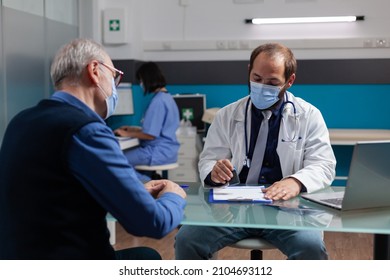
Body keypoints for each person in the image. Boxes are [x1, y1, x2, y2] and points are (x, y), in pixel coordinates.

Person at [0, 38, 186, 260]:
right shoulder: (87, 130)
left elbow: (53, 193)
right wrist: (174, 197)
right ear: (95, 71)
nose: (115, 86)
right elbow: (153, 222)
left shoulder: (21, 121)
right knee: (148, 258)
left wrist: (127, 192)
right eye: (115, 76)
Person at [175, 43, 336, 260]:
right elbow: (208, 159)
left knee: (310, 247)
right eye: (257, 78)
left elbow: (324, 165)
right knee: (188, 240)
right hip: (233, 207)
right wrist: (214, 172)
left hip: (287, 208)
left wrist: (295, 182)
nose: (261, 87)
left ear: (289, 81)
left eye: (272, 83)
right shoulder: (227, 115)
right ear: (249, 71)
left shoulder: (308, 116)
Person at [114, 62, 180, 181]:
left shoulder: (158, 102)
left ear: (147, 79)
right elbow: (159, 129)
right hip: (168, 150)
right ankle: (149, 179)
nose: (141, 84)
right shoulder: (167, 98)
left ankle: (147, 183)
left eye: (141, 81)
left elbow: (150, 135)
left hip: (156, 151)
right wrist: (134, 129)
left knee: (117, 160)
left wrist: (127, 134)